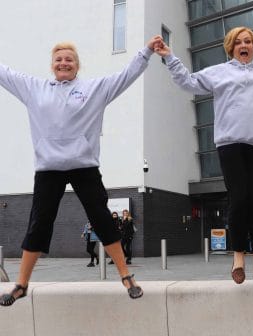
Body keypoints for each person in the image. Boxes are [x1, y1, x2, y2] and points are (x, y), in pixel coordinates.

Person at [0, 36, 158, 306]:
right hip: (49, 168)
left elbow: (125, 75)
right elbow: (4, 73)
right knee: (39, 223)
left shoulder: (94, 89)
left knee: (102, 219)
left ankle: (126, 276)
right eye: (59, 59)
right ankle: (21, 284)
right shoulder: (34, 88)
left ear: (77, 65)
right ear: (52, 65)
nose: (64, 63)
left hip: (84, 165)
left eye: (69, 59)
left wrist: (146, 52)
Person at [153, 27, 253, 284]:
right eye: (238, 42)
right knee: (238, 201)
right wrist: (170, 56)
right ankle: (238, 256)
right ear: (231, 48)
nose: (243, 45)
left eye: (248, 41)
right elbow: (188, 82)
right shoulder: (219, 73)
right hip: (230, 144)